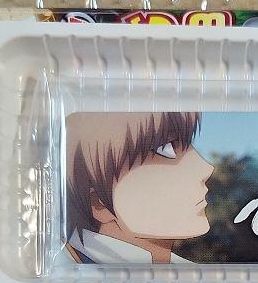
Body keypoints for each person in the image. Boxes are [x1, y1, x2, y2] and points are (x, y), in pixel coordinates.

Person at [59, 111, 214, 265]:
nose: (207, 168)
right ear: (98, 204)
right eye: (165, 148)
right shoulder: (68, 272)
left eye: (187, 144)